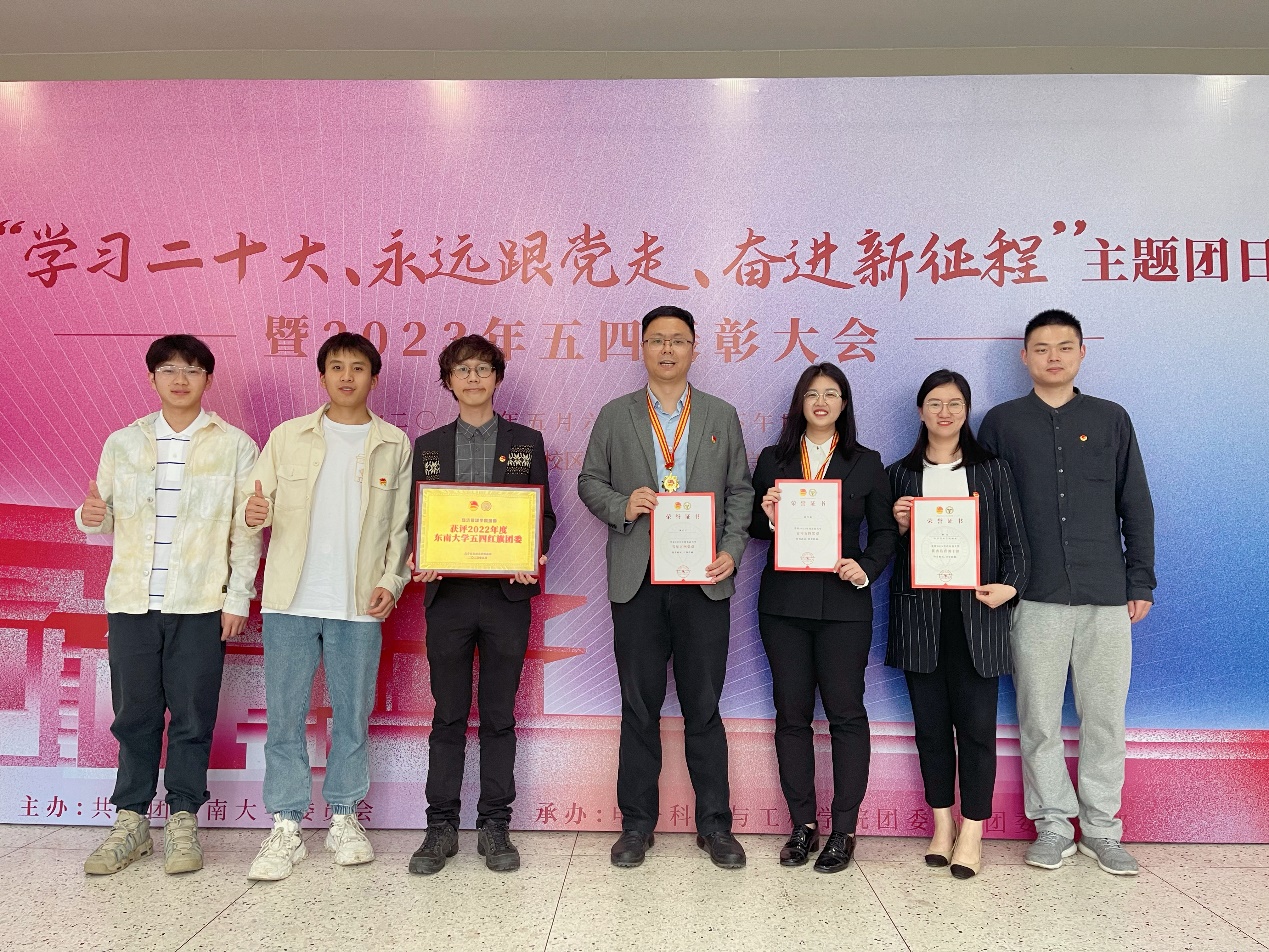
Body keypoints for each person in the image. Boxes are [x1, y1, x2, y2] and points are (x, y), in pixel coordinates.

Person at [979, 310, 1155, 876]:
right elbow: (982, 511)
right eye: (1041, 347)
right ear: (1024, 357)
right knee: (1039, 719)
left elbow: (1136, 504)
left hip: (1106, 595)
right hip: (1033, 597)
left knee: (1105, 718)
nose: (1052, 356)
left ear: (1081, 353)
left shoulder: (1110, 418)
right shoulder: (1002, 424)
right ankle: (1053, 824)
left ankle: (1102, 828)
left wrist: (1140, 580)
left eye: (1063, 346)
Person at [77, 335, 261, 876]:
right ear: (152, 377)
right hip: (132, 602)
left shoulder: (234, 445)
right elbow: (100, 512)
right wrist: (90, 516)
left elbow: (246, 531)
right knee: (134, 716)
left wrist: (237, 597)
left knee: (192, 717)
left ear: (208, 379)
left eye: (192, 369)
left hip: (201, 603)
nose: (180, 379)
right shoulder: (123, 443)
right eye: (169, 369)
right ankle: (131, 821)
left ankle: (183, 820)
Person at [578, 305, 754, 870]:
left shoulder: (721, 414)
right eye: (657, 340)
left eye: (678, 340)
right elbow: (588, 481)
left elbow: (740, 491)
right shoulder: (616, 414)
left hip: (704, 580)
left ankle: (715, 827)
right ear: (643, 349)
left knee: (705, 706)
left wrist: (731, 550)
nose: (668, 349)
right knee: (639, 706)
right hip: (639, 580)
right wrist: (622, 504)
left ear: (694, 348)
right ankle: (636, 825)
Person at [241, 332, 411, 882]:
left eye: (357, 368)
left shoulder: (394, 443)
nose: (346, 376)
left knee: (352, 716)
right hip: (291, 598)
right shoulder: (287, 437)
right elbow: (254, 505)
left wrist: (392, 581)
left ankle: (344, 816)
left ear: (373, 378)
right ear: (322, 376)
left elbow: (401, 527)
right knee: (285, 718)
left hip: (359, 603)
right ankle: (285, 825)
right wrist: (254, 513)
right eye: (336, 367)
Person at [406, 335, 557, 875]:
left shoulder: (526, 442)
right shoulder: (427, 445)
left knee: (498, 716)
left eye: (483, 369)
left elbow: (543, 515)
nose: (473, 378)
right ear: (448, 381)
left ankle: (495, 824)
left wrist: (531, 552)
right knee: (447, 714)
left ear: (497, 378)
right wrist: (420, 553)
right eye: (463, 370)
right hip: (447, 596)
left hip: (505, 596)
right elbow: (417, 516)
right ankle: (440, 826)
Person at [749, 363, 897, 873]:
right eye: (812, 393)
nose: (821, 402)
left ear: (844, 404)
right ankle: (802, 825)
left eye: (832, 394)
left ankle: (844, 829)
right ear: (800, 402)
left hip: (844, 607)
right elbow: (753, 527)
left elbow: (885, 533)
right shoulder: (773, 460)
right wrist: (769, 515)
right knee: (791, 715)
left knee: (846, 715)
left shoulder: (866, 462)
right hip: (783, 606)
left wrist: (866, 568)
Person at [886, 369, 1029, 879]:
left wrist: (1010, 587)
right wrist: (899, 527)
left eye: (954, 404)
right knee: (929, 730)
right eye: (934, 403)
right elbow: (884, 551)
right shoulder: (899, 475)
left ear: (967, 411)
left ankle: (973, 830)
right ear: (920, 411)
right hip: (920, 619)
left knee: (976, 730)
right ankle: (941, 824)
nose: (944, 412)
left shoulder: (991, 470)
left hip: (979, 618)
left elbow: (1016, 544)